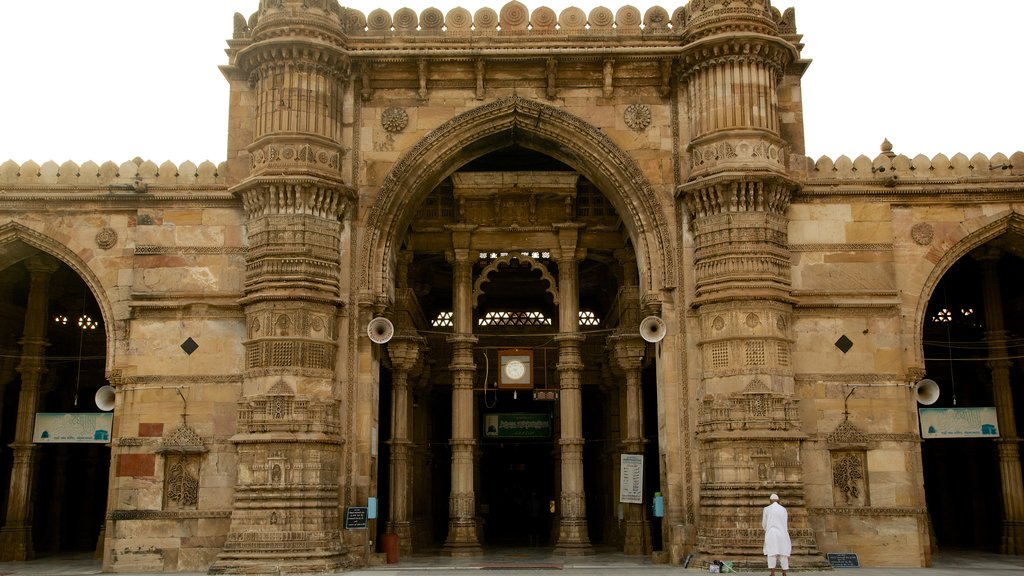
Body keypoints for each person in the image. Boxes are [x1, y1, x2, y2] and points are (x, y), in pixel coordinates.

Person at [762, 493, 792, 576]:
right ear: (778, 501)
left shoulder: (766, 509)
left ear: (770, 501)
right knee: (783, 553)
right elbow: (785, 522)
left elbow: (764, 523)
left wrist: (766, 529)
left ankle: (772, 573)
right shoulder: (783, 509)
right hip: (782, 533)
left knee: (772, 553)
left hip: (771, 533)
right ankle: (784, 572)